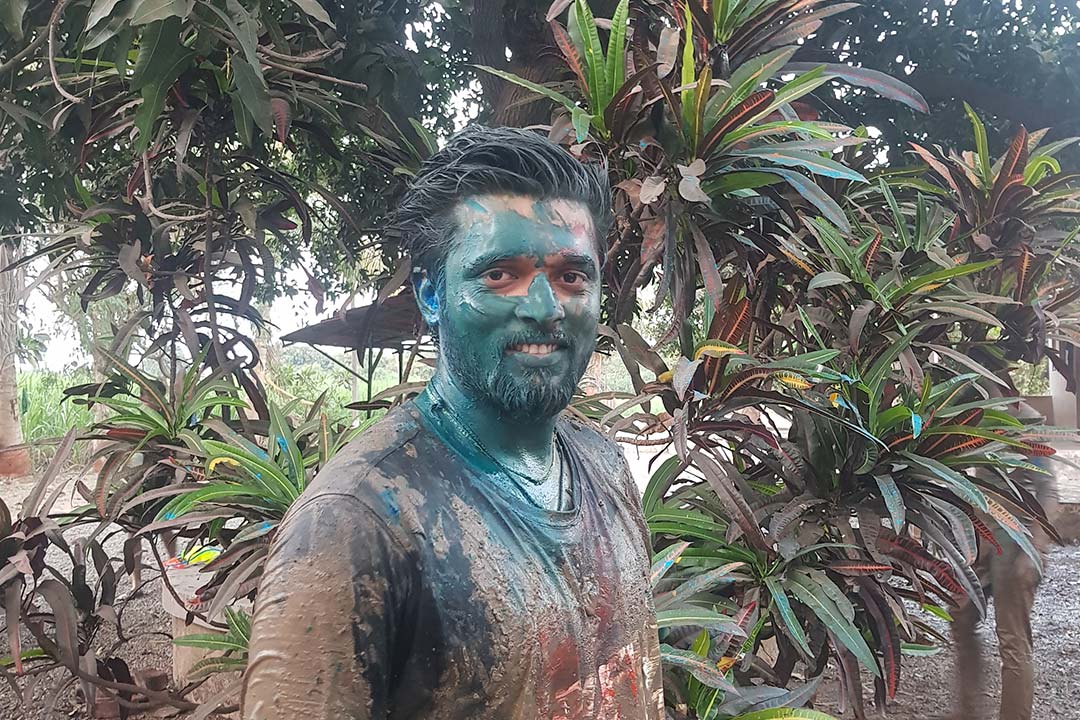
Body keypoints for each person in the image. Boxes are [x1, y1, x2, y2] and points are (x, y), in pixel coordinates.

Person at [242, 126, 664, 719]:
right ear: (431, 294)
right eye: (500, 275)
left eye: (572, 277)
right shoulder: (355, 523)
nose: (544, 309)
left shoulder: (604, 466)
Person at [950, 400, 1059, 720]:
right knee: (960, 615)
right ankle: (968, 711)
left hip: (1017, 541)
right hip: (983, 539)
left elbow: (1047, 489)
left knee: (1012, 639)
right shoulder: (977, 410)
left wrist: (1036, 549)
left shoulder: (1026, 420)